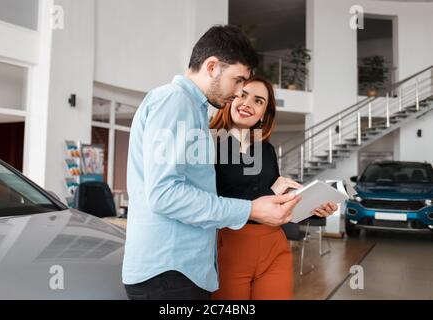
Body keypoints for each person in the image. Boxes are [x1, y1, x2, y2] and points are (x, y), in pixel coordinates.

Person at [122, 25, 302, 300]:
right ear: (212, 66)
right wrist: (250, 209)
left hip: (180, 270)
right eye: (238, 80)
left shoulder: (193, 110)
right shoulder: (175, 101)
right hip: (169, 272)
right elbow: (164, 194)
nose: (240, 91)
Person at [210, 76, 338, 300]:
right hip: (228, 249)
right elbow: (210, 202)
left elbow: (276, 202)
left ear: (264, 114)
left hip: (274, 248)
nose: (248, 103)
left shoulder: (265, 150)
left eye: (258, 101)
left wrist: (312, 207)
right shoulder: (209, 143)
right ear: (230, 97)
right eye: (242, 94)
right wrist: (272, 192)